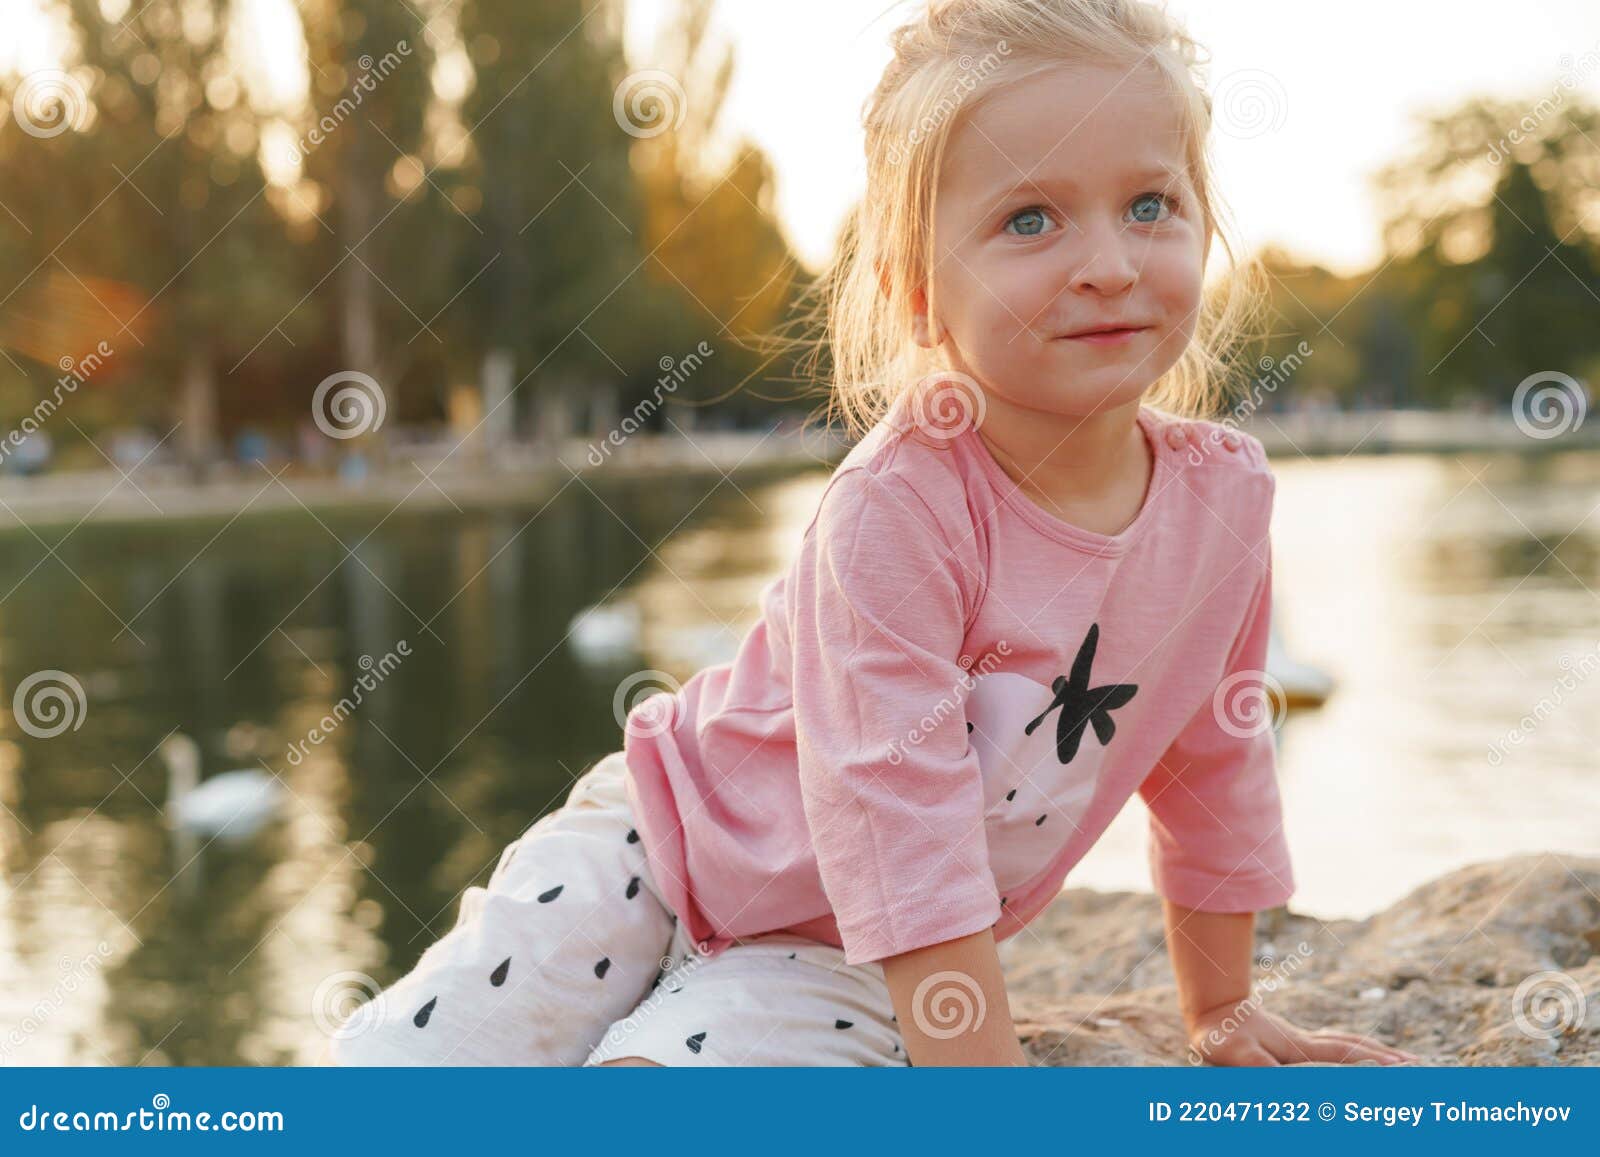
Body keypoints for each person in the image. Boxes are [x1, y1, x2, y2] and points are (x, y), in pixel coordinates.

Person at [324, 0, 1419, 1068]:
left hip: (844, 951)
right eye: (1029, 220)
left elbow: (1213, 761)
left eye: (1150, 203)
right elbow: (898, 820)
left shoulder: (1223, 502)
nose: (1109, 263)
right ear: (915, 289)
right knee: (409, 1074)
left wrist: (1222, 1012)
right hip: (653, 843)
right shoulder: (901, 502)